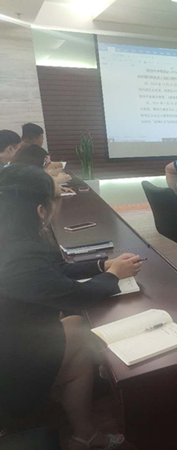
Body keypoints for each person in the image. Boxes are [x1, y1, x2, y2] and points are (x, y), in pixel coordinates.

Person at [0, 165, 142, 450]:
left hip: (11, 338)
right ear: (41, 210)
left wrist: (102, 265)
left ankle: (81, 424)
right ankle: (86, 434)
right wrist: (114, 276)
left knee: (76, 326)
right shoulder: (17, 255)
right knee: (81, 337)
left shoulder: (12, 238)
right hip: (8, 370)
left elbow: (52, 272)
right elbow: (76, 297)